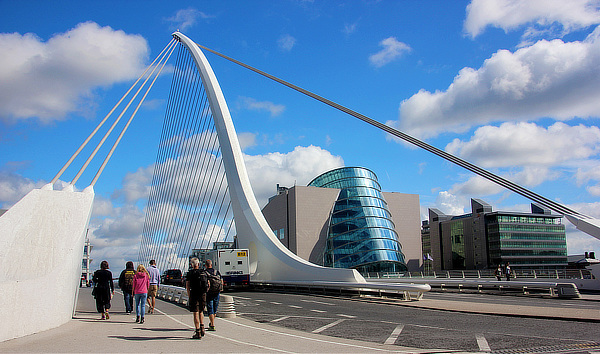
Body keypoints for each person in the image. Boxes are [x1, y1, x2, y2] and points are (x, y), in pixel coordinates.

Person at [186, 257, 209, 339]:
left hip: (194, 293)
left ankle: (197, 331)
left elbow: (187, 286)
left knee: (195, 312)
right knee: (201, 311)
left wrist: (189, 296)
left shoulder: (190, 273)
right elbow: (208, 284)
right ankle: (202, 327)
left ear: (192, 265)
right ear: (198, 264)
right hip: (202, 294)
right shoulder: (203, 272)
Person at [204, 259, 222, 332]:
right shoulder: (216, 271)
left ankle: (212, 324)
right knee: (215, 308)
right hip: (217, 292)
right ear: (211, 265)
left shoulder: (205, 273)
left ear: (205, 265)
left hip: (209, 292)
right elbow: (221, 280)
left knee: (210, 308)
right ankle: (212, 322)